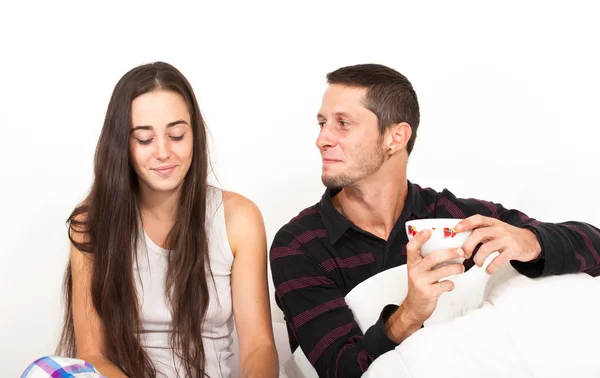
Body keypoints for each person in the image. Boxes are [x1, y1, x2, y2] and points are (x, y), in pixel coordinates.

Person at [269, 63, 600, 378]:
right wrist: (410, 313)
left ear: (395, 138)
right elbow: (340, 370)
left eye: (342, 123)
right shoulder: (299, 246)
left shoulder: (453, 216)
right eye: (322, 123)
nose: (322, 139)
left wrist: (531, 242)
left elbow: (595, 247)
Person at [24, 62, 278, 378]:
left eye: (176, 135)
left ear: (194, 135)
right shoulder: (92, 224)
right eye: (144, 139)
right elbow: (93, 356)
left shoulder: (239, 218)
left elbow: (259, 347)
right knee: (43, 371)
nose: (163, 152)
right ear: (123, 145)